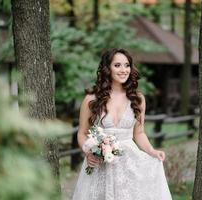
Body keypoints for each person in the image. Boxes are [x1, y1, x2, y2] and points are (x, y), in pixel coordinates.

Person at [72, 48, 172, 200]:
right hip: (100, 164)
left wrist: (152, 151)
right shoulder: (92, 99)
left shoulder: (138, 99)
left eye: (127, 65)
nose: (123, 70)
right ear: (107, 68)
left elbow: (139, 133)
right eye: (117, 65)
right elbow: (82, 133)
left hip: (129, 163)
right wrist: (88, 152)